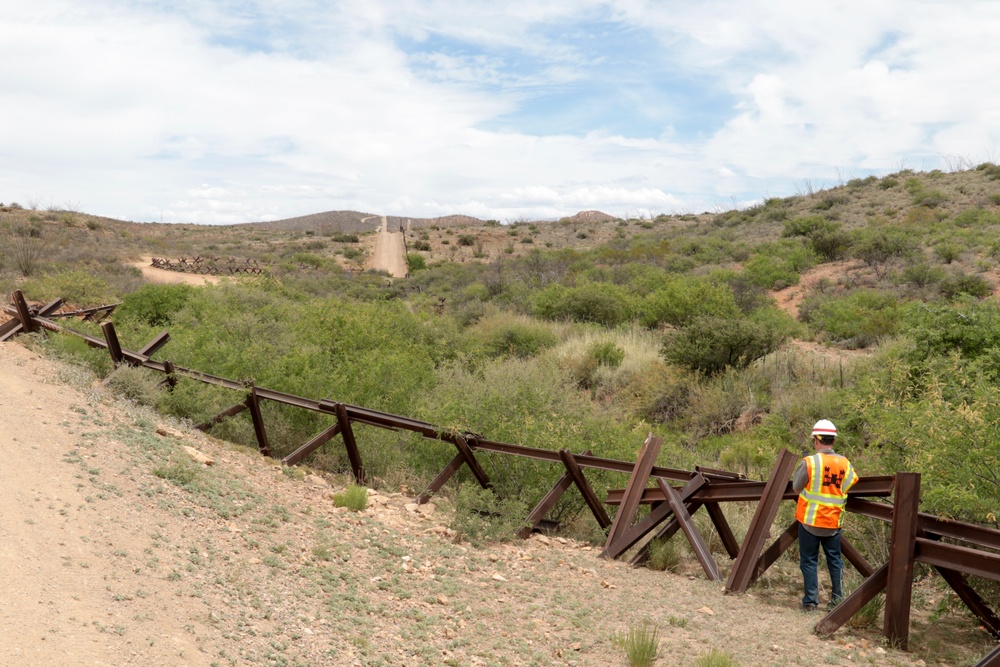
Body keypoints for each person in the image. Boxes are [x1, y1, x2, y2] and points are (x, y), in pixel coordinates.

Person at [792, 419, 858, 612]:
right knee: (835, 562)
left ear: (816, 440)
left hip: (810, 521)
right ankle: (837, 600)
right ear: (833, 441)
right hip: (833, 522)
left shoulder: (810, 462)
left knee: (809, 561)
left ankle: (810, 602)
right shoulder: (845, 463)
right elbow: (850, 483)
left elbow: (796, 487)